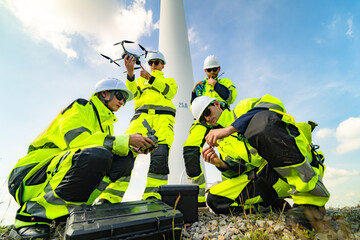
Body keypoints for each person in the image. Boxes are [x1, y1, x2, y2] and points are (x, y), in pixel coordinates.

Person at [7, 78, 155, 239]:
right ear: (104, 93)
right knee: (98, 155)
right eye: (120, 96)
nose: (122, 101)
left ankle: (97, 208)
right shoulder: (82, 106)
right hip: (29, 175)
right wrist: (125, 140)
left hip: (56, 171)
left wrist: (133, 148)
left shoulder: (106, 126)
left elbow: (103, 149)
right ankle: (31, 217)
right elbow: (76, 140)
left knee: (124, 159)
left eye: (125, 100)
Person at [191, 95, 330, 230]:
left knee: (262, 122)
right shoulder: (222, 142)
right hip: (269, 179)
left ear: (216, 104)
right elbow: (238, 171)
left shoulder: (243, 108)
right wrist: (220, 164)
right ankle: (270, 204)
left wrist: (230, 129)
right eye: (203, 120)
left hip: (299, 165)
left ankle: (311, 203)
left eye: (207, 112)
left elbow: (274, 105)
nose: (208, 119)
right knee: (215, 199)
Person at [98, 51, 178, 201]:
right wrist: (130, 73)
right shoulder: (140, 81)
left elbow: (170, 92)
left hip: (163, 118)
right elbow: (133, 94)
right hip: (141, 117)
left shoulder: (170, 81)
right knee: (125, 151)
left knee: (160, 155)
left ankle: (153, 196)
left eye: (157, 62)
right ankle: (109, 197)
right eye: (151, 63)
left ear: (163, 65)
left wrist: (151, 78)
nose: (153, 65)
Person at [183, 55, 237, 206]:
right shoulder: (201, 87)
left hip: (221, 119)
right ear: (205, 71)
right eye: (208, 70)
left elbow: (231, 97)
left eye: (214, 70)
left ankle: (231, 196)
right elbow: (193, 107)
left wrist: (216, 85)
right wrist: (194, 93)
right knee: (189, 149)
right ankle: (198, 198)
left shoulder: (225, 83)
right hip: (203, 121)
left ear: (219, 69)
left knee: (229, 155)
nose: (211, 73)